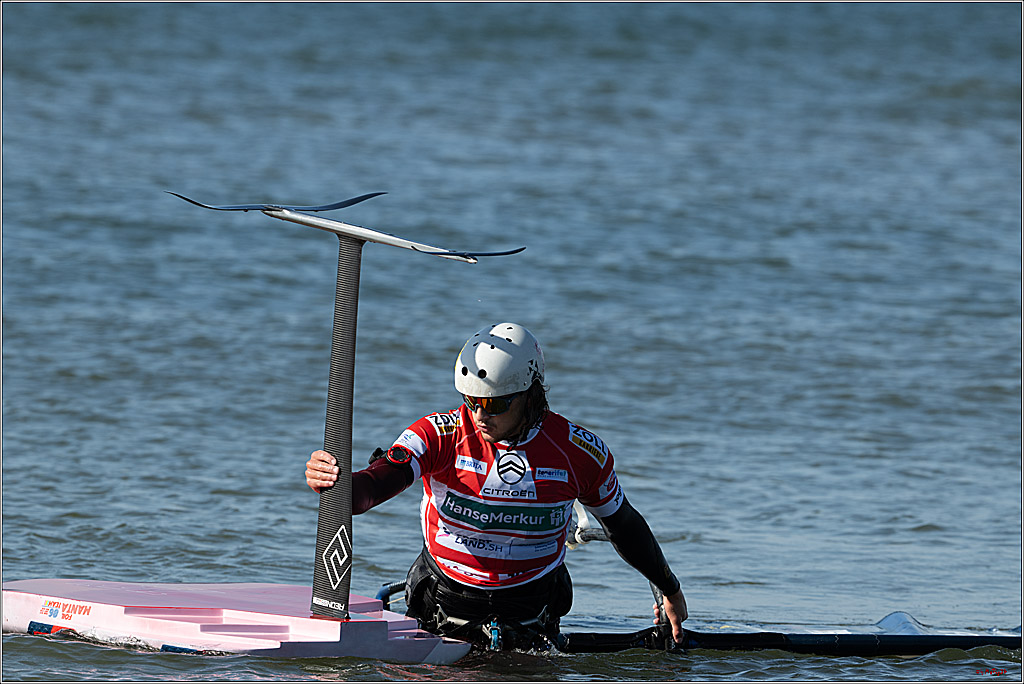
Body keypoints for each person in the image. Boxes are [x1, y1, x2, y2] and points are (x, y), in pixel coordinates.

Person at [305, 322, 687, 650]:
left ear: (531, 394)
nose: (480, 415)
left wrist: (669, 589)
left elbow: (624, 525)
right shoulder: (439, 434)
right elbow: (371, 489)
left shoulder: (579, 452)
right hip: (445, 604)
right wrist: (336, 483)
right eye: (471, 400)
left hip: (531, 610)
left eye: (496, 404)